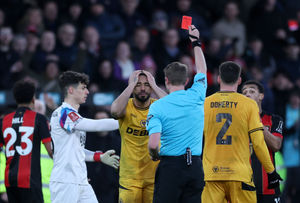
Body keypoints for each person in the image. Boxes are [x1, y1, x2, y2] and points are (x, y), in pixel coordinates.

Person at [202, 61, 282, 203]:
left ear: (219, 79)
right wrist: (271, 171)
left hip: (212, 175)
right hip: (240, 175)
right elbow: (257, 143)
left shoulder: (205, 104)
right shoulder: (248, 104)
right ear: (239, 80)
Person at [146, 25, 206, 203]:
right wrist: (196, 42)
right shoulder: (197, 95)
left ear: (166, 80)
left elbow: (153, 143)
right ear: (187, 80)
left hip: (170, 167)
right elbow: (202, 70)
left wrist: (154, 153)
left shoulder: (157, 107)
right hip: (195, 165)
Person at [49, 71, 120, 203]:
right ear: (71, 90)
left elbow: (76, 149)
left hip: (80, 180)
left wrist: (98, 156)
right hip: (65, 181)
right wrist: (123, 122)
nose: (87, 92)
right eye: (83, 88)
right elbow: (95, 125)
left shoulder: (73, 116)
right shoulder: (63, 113)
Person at [111, 69, 166, 203]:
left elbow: (173, 109)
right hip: (129, 178)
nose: (142, 88)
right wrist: (130, 85)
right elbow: (114, 111)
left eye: (146, 85)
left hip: (154, 177)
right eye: (138, 85)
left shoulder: (157, 106)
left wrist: (154, 85)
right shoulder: (126, 106)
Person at [0, 80, 53, 203]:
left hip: (10, 180)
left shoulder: (4, 121)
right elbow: (51, 152)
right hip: (30, 181)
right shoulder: (39, 119)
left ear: (15, 99)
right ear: (33, 99)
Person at [242, 80, 283, 203]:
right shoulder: (236, 121)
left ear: (261, 96)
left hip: (268, 188)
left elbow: (276, 145)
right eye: (244, 92)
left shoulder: (274, 119)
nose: (247, 94)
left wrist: (256, 123)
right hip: (243, 186)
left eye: (252, 91)